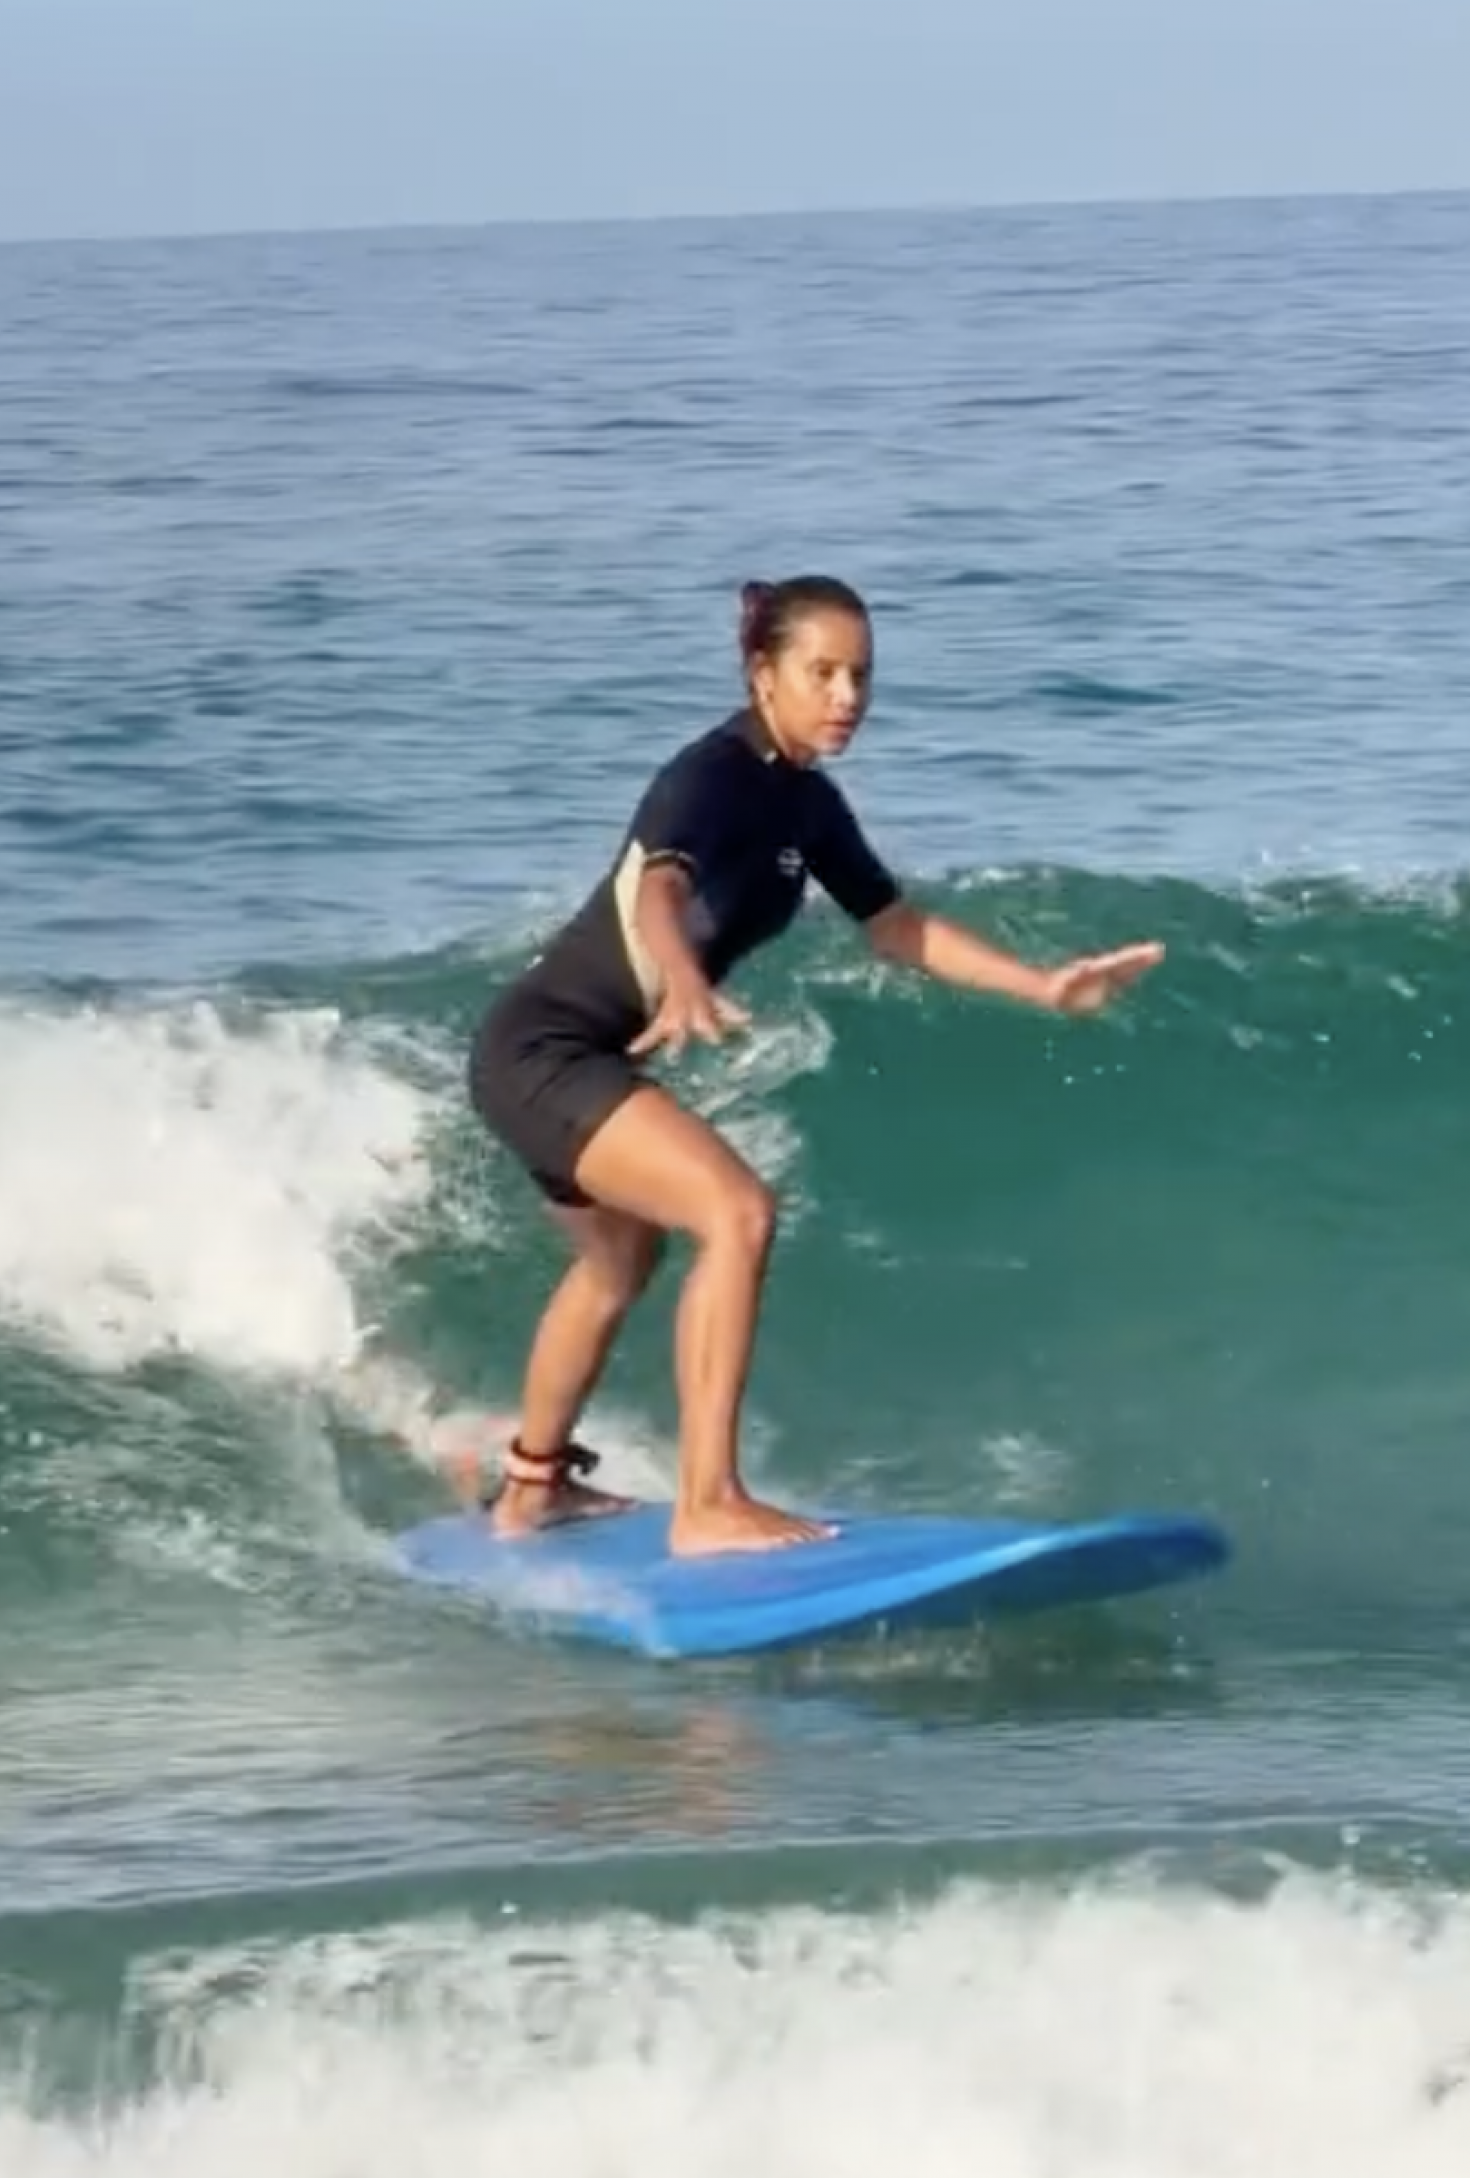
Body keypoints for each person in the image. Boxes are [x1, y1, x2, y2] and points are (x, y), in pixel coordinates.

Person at [465, 574, 1164, 1557]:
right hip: (540, 1048)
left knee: (622, 1258)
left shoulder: (811, 805)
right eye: (822, 672)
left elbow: (896, 925)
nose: (847, 696)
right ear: (764, 673)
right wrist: (678, 979)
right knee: (736, 1212)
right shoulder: (709, 776)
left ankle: (529, 1490)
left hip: (555, 1055)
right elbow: (661, 888)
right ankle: (708, 1504)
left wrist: (1043, 986)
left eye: (861, 676)